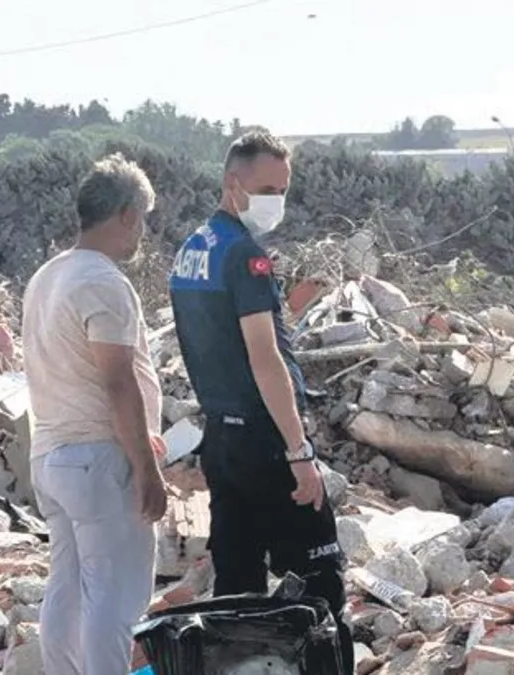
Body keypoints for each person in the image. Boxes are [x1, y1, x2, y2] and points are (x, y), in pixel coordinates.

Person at [168, 131, 353, 671]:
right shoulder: (246, 256)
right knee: (319, 588)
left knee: (238, 585)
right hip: (265, 439)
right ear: (233, 183)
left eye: (284, 189)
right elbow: (264, 357)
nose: (279, 200)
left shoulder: (193, 249)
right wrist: (299, 452)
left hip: (221, 440)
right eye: (269, 187)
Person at [22, 153, 167, 675]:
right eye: (143, 220)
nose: (142, 234)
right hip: (99, 460)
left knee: (67, 589)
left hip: (52, 457)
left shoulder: (47, 276)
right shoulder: (102, 281)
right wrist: (146, 470)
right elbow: (117, 381)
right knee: (117, 598)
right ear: (127, 214)